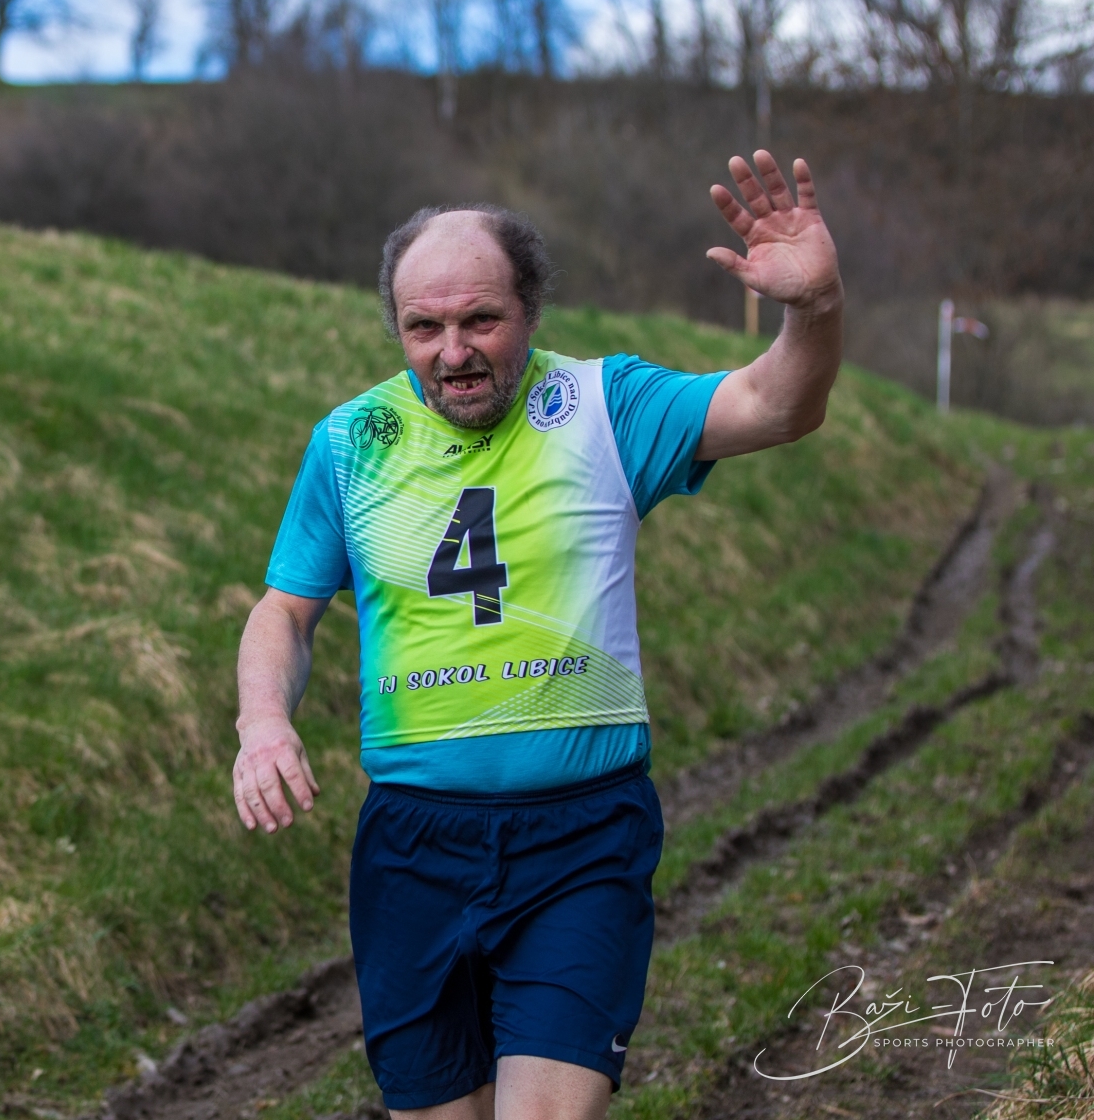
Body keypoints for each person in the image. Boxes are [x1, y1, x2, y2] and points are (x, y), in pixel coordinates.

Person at [231, 151, 844, 1120]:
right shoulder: (349, 442)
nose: (452, 352)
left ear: (531, 311)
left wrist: (814, 308)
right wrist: (263, 722)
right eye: (423, 328)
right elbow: (284, 611)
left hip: (581, 837)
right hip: (412, 847)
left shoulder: (608, 406)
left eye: (480, 320)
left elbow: (777, 405)